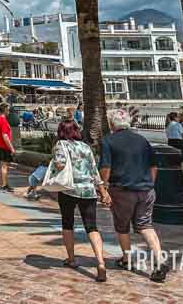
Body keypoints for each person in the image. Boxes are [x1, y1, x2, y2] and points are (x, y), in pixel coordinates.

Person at [99, 108, 169, 282]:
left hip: (122, 190)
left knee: (122, 226)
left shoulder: (108, 141)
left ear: (111, 123)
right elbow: (154, 166)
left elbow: (105, 167)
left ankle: (127, 259)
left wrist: (104, 187)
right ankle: (159, 260)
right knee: (146, 225)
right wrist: (149, 184)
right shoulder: (142, 140)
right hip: (146, 190)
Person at [50, 120, 110, 282]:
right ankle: (101, 262)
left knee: (67, 223)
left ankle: (71, 258)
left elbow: (60, 165)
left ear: (61, 131)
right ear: (77, 131)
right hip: (88, 190)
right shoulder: (86, 147)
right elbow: (94, 171)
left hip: (68, 189)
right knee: (92, 227)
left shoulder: (61, 145)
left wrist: (54, 161)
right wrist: (102, 191)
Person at [0, 103, 16, 191]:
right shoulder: (3, 121)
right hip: (4, 147)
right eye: (8, 110)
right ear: (5, 110)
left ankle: (4, 183)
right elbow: (5, 136)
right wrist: (12, 148)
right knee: (4, 166)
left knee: (3, 165)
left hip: (0, 145)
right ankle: (4, 185)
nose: (9, 112)